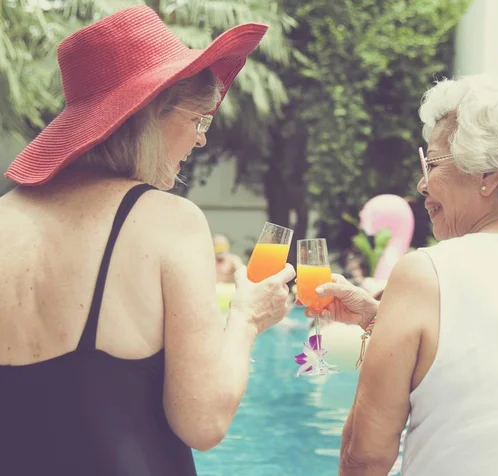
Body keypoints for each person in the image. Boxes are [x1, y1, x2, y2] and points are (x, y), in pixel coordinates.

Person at [0, 6, 294, 476]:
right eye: (200, 120)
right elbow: (204, 422)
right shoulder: (167, 222)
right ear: (151, 113)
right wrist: (246, 318)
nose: (201, 140)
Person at [310, 75, 498, 475]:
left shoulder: (424, 273)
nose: (422, 183)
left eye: (432, 163)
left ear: (488, 175)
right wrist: (384, 320)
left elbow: (368, 456)